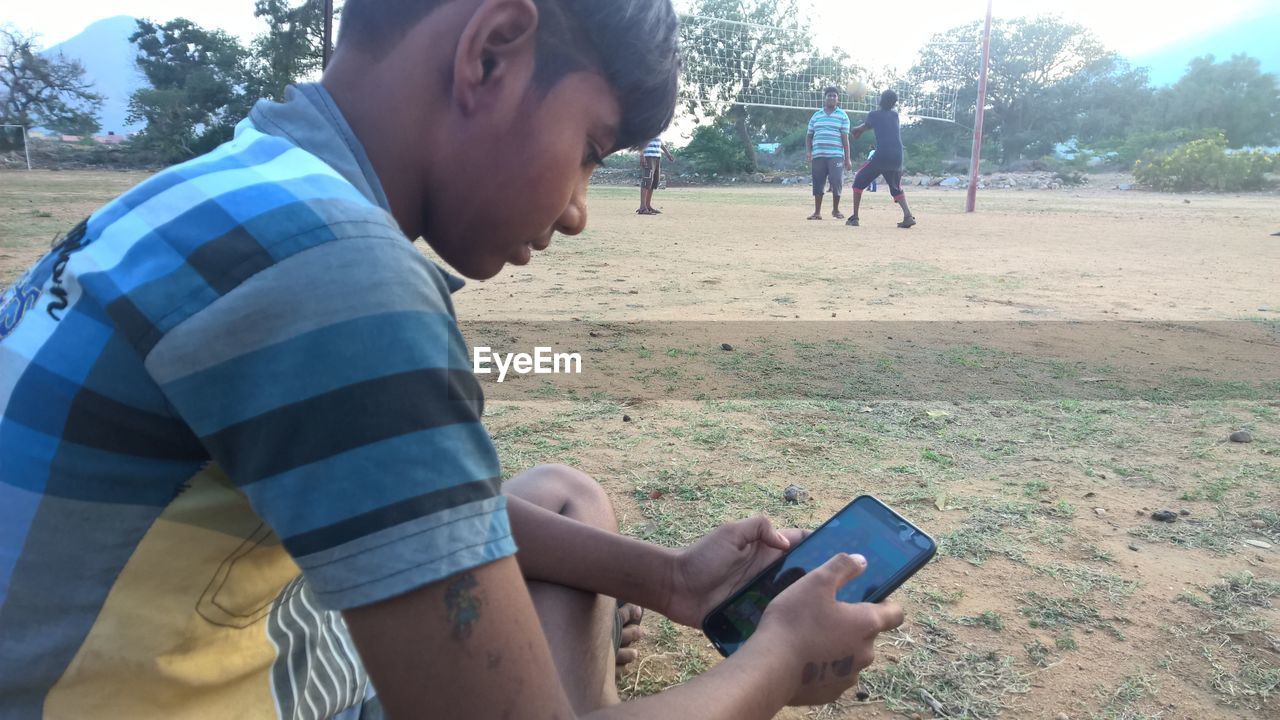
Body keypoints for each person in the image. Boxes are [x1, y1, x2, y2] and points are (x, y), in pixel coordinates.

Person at [0, 1, 904, 719]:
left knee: (563, 495)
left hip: (171, 644)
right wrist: (778, 658)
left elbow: (436, 509)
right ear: (492, 52)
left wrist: (666, 578)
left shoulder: (245, 182)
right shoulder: (338, 275)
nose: (581, 209)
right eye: (591, 152)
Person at [848, 89, 916, 229]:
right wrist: (859, 130)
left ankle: (854, 217)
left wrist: (856, 130)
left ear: (881, 100)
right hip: (897, 155)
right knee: (896, 188)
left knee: (858, 182)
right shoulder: (895, 115)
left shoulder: (874, 115)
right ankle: (908, 216)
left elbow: (865, 127)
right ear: (894, 103)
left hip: (882, 154)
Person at [806, 86, 853, 220]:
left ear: (837, 98)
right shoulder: (816, 116)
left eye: (834, 95)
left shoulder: (842, 116)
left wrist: (847, 159)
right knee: (818, 182)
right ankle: (817, 212)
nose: (831, 98)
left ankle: (836, 210)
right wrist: (809, 152)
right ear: (824, 97)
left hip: (836, 155)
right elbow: (809, 136)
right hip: (818, 155)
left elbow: (845, 139)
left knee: (836, 180)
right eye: (829, 95)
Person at [638, 136, 675, 215]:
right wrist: (641, 155)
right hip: (648, 156)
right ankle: (642, 207)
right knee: (647, 181)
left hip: (657, 156)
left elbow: (659, 142)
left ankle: (648, 205)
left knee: (653, 182)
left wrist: (667, 153)